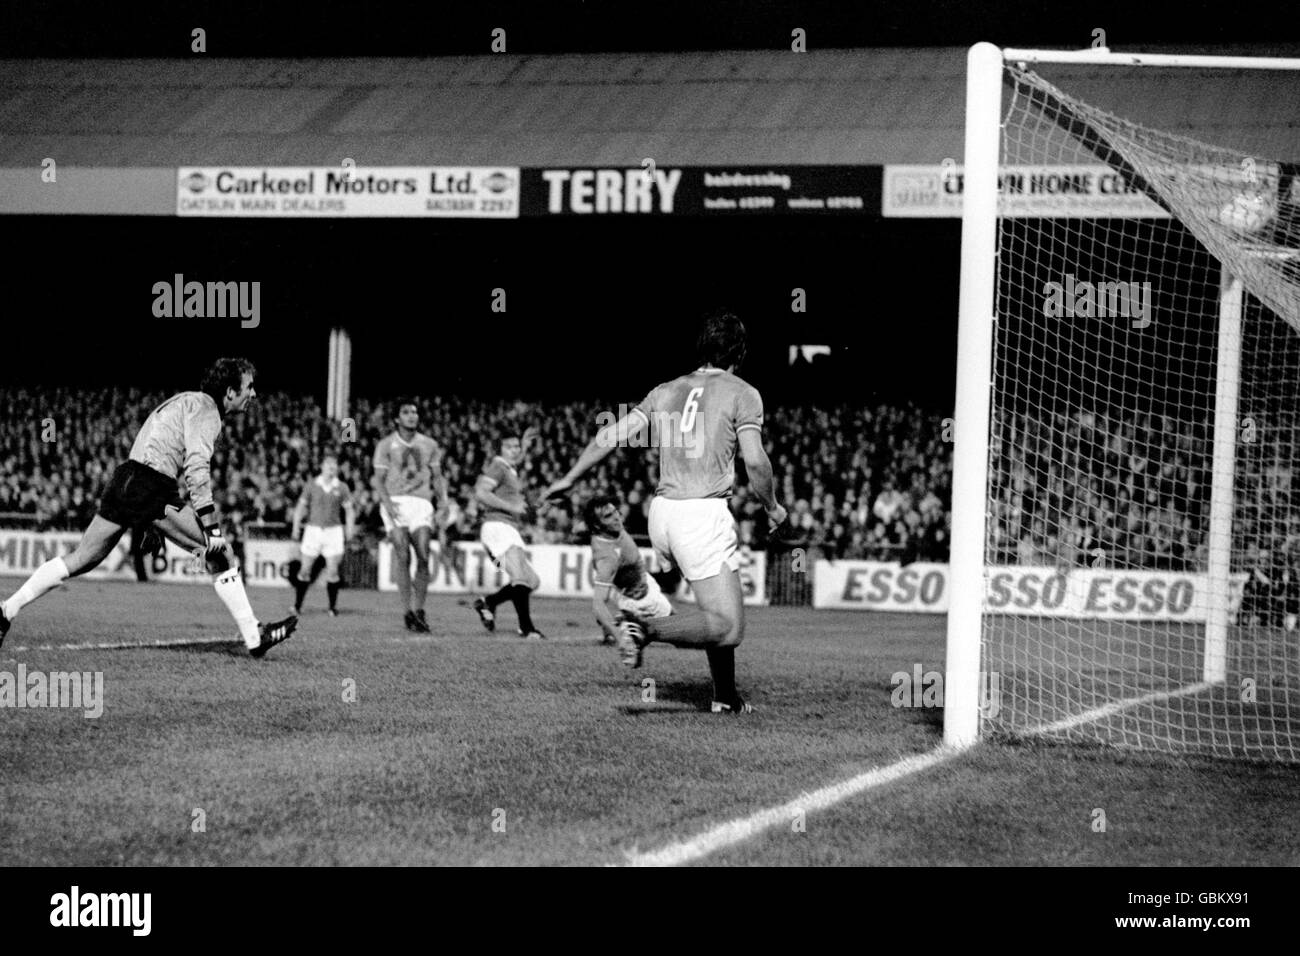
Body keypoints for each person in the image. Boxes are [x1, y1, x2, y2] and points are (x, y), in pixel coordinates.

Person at [546, 310, 788, 714]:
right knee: (728, 627)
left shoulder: (666, 390)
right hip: (701, 512)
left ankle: (724, 698)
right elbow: (757, 462)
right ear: (739, 353)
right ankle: (643, 627)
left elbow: (611, 435)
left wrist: (570, 478)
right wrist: (773, 507)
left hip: (663, 512)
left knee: (719, 604)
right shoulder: (743, 392)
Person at [0, 358, 298, 657]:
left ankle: (7, 610)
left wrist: (145, 519)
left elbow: (148, 447)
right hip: (149, 484)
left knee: (81, 558)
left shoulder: (181, 400)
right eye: (249, 387)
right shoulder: (208, 410)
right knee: (221, 553)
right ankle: (254, 636)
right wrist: (212, 527)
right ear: (230, 392)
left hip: (125, 478)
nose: (254, 394)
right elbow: (197, 468)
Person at [372, 399, 447, 633]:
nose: (412, 416)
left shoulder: (430, 444)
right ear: (397, 419)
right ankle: (407, 612)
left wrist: (443, 501)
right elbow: (378, 480)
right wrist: (387, 505)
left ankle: (419, 609)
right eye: (406, 412)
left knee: (423, 554)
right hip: (395, 502)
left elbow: (437, 476)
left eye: (414, 412)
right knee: (402, 555)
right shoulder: (385, 445)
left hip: (422, 503)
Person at [471, 427, 545, 639]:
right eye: (509, 447)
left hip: (508, 528)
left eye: (516, 447)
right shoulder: (498, 467)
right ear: (499, 449)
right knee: (520, 578)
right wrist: (511, 507)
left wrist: (525, 444)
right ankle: (527, 628)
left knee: (532, 581)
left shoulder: (509, 468)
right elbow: (481, 492)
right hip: (497, 526)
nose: (514, 450)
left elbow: (516, 460)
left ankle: (489, 602)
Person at [585, 491, 672, 646]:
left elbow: (581, 527)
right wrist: (620, 640)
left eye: (615, 512)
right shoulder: (608, 558)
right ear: (598, 525)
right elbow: (598, 605)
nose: (617, 517)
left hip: (640, 584)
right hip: (642, 601)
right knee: (687, 637)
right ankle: (627, 623)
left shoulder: (607, 530)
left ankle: (621, 621)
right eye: (608, 516)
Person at [290, 453, 356, 616]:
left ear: (337, 469)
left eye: (334, 465)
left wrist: (349, 529)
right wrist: (295, 527)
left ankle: (332, 607)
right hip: (313, 531)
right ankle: (297, 606)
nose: (331, 468)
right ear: (322, 467)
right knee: (305, 570)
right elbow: (300, 508)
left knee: (332, 571)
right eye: (328, 465)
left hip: (333, 532)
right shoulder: (312, 485)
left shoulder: (342, 487)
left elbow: (349, 511)